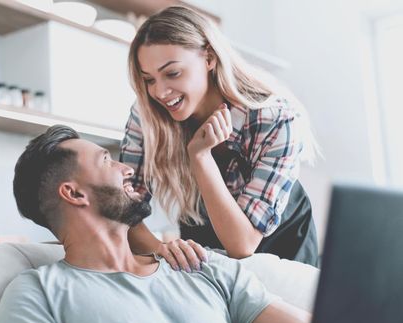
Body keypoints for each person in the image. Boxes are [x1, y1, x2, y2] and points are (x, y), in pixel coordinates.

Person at [0, 125, 311, 323]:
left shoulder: (201, 266)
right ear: (74, 193)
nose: (126, 169)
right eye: (107, 160)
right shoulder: (38, 293)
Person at [120, 6, 320, 268]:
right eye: (149, 79)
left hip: (284, 253)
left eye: (172, 73)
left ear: (209, 59)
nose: (159, 91)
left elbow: (242, 244)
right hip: (207, 253)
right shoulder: (147, 114)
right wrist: (163, 250)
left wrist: (200, 156)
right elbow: (121, 212)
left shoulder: (275, 120)